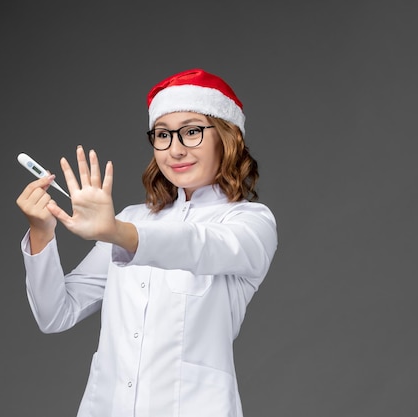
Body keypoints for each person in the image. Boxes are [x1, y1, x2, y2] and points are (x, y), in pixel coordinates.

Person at [16, 68, 278, 417]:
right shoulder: (132, 218)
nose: (176, 149)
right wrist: (42, 231)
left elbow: (198, 246)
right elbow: (55, 314)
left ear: (227, 138)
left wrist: (116, 233)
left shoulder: (251, 223)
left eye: (192, 132)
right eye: (163, 135)